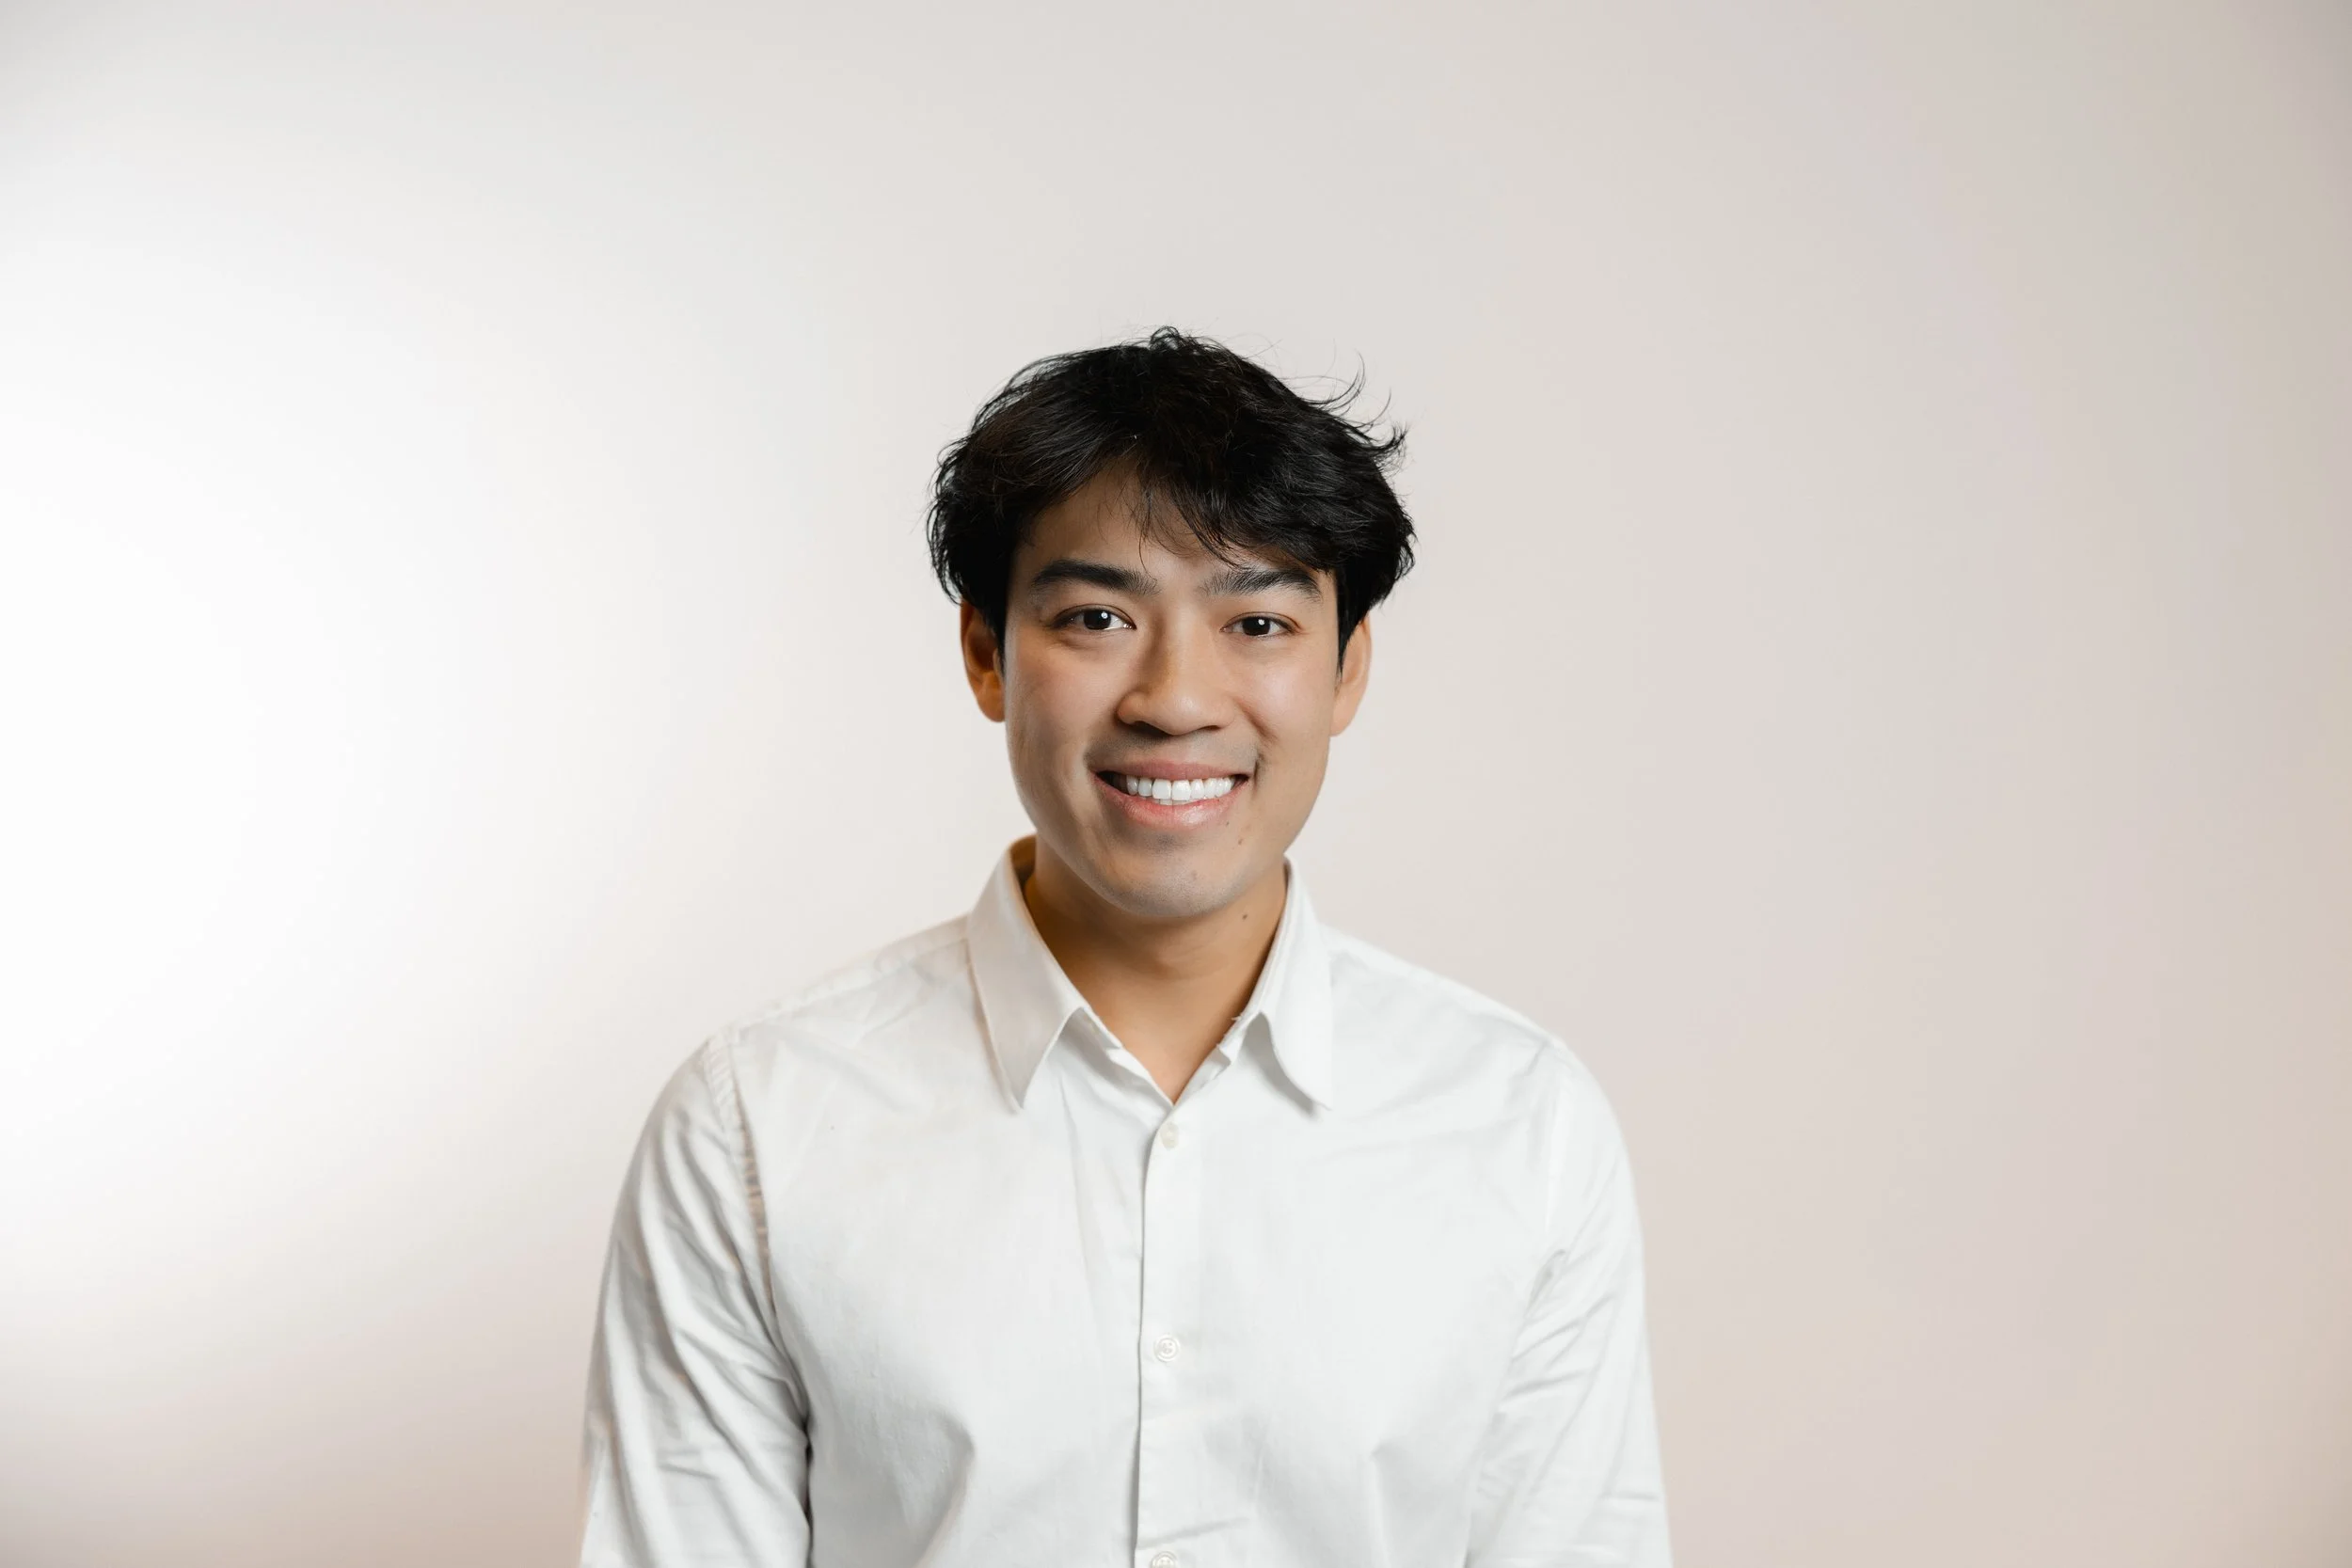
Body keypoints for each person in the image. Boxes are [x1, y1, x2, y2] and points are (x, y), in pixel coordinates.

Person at [578, 328, 1673, 1566]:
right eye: (1097, 615)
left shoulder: (1517, 1122)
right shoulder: (758, 1126)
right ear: (987, 652)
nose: (1175, 697)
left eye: (1258, 621)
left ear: (1347, 668)